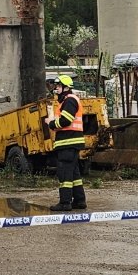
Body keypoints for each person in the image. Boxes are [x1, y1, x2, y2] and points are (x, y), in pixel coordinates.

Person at [42, 75, 85, 211]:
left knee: (65, 173)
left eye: (59, 87)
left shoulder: (69, 101)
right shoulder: (68, 101)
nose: (56, 90)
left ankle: (65, 202)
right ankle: (79, 200)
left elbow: (66, 120)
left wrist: (51, 123)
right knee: (74, 174)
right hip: (71, 142)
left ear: (67, 88)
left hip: (68, 142)